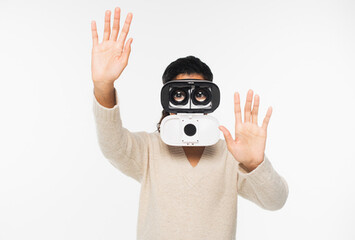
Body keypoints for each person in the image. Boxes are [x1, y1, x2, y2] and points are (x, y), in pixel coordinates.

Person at [90, 7, 289, 239]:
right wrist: (103, 85)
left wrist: (255, 163)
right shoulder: (148, 149)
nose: (190, 103)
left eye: (200, 94)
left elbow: (276, 201)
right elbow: (112, 145)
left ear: (210, 97)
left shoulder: (230, 155)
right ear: (167, 99)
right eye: (179, 95)